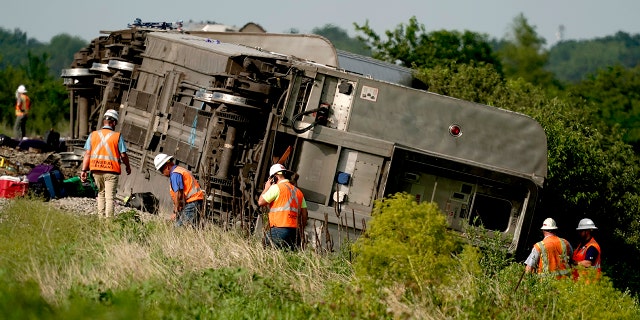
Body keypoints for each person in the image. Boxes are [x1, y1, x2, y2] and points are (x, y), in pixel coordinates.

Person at [80, 109, 132, 218]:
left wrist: (83, 170)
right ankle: (109, 223)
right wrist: (127, 166)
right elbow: (123, 155)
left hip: (96, 171)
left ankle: (101, 220)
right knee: (110, 198)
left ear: (104, 121)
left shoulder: (93, 135)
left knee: (101, 195)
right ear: (113, 122)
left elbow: (87, 154)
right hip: (111, 172)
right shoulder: (117, 136)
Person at [258, 164, 308, 250]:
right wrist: (301, 232)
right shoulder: (299, 192)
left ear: (274, 178)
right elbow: (304, 215)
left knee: (267, 252)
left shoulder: (276, 188)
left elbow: (261, 202)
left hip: (279, 229)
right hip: (295, 233)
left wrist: (266, 188)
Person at [154, 153, 205, 227]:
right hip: (196, 202)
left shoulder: (175, 174)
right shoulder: (180, 170)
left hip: (192, 203)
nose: (163, 174)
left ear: (166, 167)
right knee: (194, 228)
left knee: (178, 229)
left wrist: (175, 211)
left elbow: (178, 194)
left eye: (161, 171)